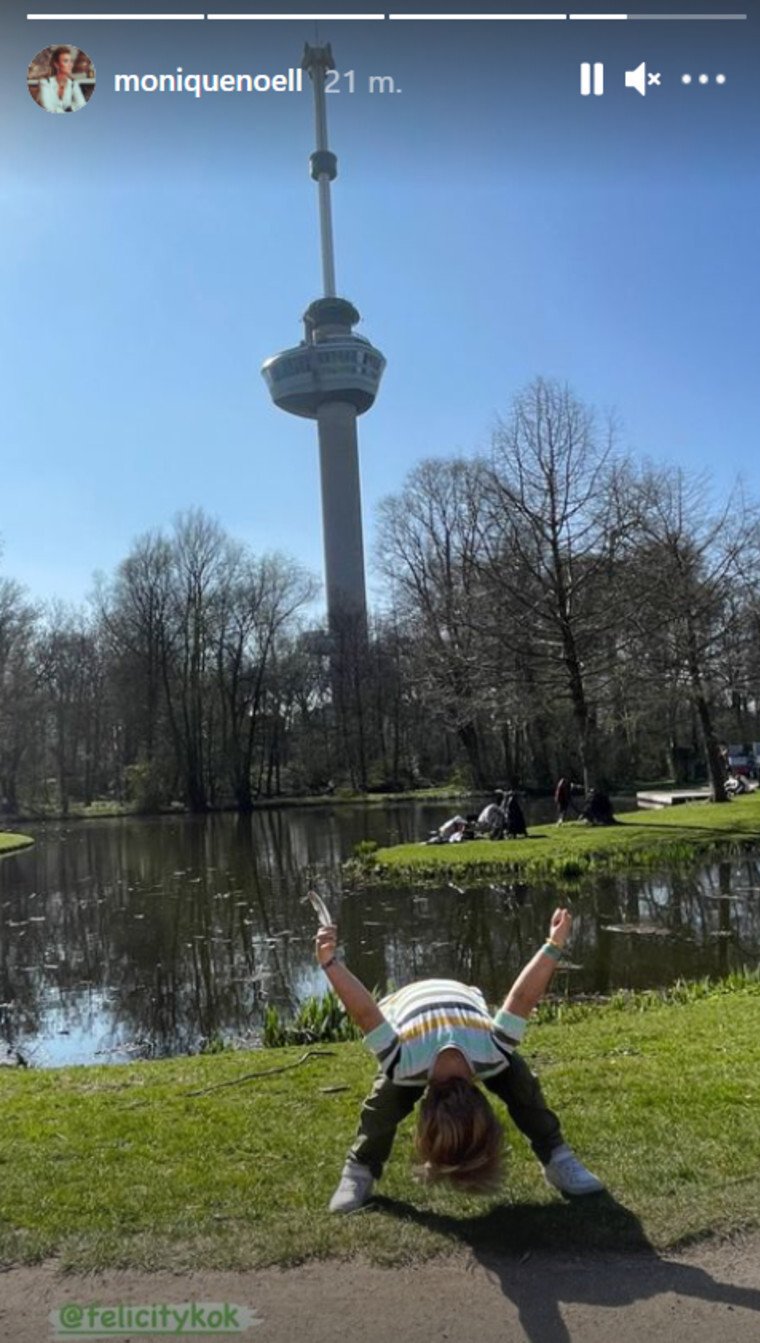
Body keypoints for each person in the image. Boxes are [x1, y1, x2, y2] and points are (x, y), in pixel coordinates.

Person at [317, 907, 604, 1213]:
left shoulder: (487, 1051)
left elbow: (522, 999)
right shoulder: (415, 1059)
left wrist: (554, 943)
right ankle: (359, 1169)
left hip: (455, 1010)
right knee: (385, 1101)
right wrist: (329, 963)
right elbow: (366, 1013)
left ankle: (558, 1158)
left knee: (519, 1081)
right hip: (413, 1012)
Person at [36, 46, 87, 114]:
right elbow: (48, 108)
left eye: (71, 61)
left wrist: (69, 108)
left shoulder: (73, 83)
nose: (70, 65)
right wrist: (68, 110)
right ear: (56, 64)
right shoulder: (45, 83)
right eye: (66, 61)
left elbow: (81, 104)